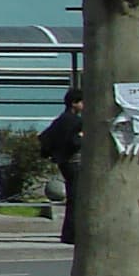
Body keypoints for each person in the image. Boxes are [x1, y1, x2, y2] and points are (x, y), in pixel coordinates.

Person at [41, 85, 86, 244]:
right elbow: (75, 142)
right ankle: (70, 234)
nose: (83, 106)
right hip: (74, 161)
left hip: (63, 162)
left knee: (72, 197)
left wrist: (53, 154)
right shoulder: (76, 122)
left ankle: (69, 233)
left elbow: (45, 138)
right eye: (81, 102)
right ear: (74, 103)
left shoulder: (60, 120)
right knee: (75, 198)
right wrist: (82, 138)